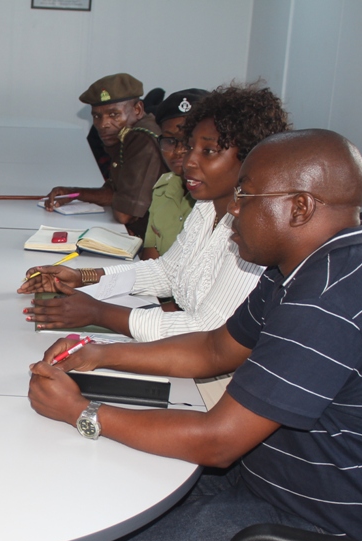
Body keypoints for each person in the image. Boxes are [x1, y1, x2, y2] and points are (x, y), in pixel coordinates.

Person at [27, 129, 362, 541]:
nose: (233, 213)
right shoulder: (302, 268)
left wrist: (82, 414)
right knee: (119, 489)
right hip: (286, 486)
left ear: (300, 207)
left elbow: (218, 441)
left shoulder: (328, 301)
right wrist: (101, 352)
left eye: (247, 197)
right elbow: (214, 349)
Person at [21, 85, 287, 342]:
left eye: (208, 151)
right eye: (189, 146)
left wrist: (99, 313)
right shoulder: (207, 207)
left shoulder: (255, 231)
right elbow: (166, 272)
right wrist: (83, 277)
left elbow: (208, 331)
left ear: (251, 157)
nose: (189, 161)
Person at [45, 73, 168, 238]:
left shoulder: (142, 139)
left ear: (137, 109)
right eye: (97, 116)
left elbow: (124, 214)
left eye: (114, 114)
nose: (103, 124)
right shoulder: (127, 134)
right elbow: (114, 192)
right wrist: (73, 193)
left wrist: (113, 198)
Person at [140, 88, 208, 260]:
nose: (178, 151)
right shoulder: (164, 186)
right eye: (170, 141)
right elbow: (151, 257)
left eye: (187, 141)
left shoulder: (215, 198)